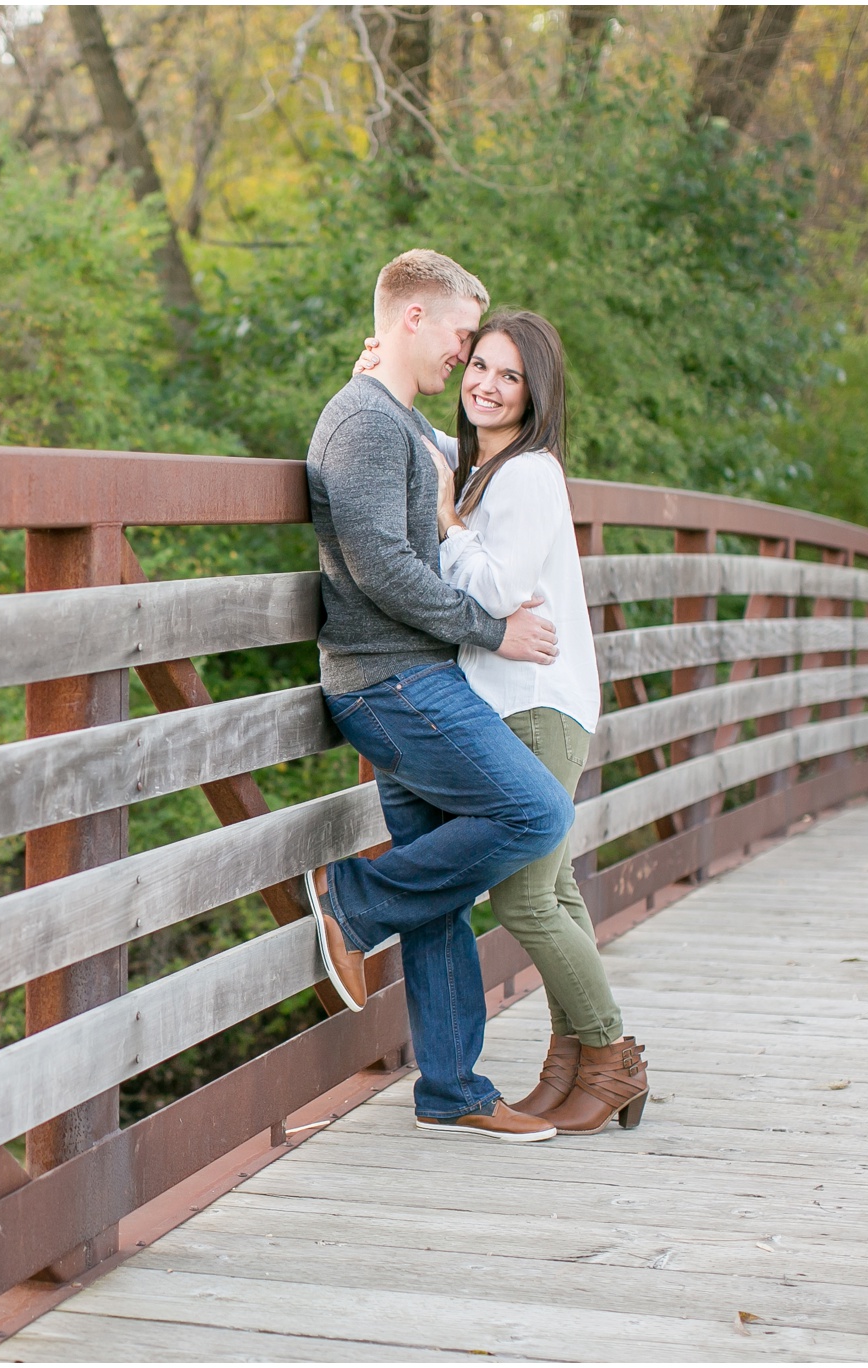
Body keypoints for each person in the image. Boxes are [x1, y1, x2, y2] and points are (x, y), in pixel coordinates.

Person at [298, 249, 574, 1144]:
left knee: (445, 890)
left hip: (411, 677)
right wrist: (491, 630)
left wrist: (377, 372)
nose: (466, 358)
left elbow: (438, 486)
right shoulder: (368, 427)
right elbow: (380, 565)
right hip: (392, 680)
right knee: (535, 813)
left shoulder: (390, 419)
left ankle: (450, 1091)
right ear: (413, 319)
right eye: (463, 337)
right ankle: (352, 902)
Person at [354, 309, 649, 1134]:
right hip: (522, 703)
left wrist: (448, 524)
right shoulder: (479, 463)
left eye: (508, 375)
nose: (484, 383)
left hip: (536, 705)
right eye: (478, 364)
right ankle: (572, 1060)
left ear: (535, 393)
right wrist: (375, 374)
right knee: (550, 889)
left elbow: (494, 590)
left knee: (523, 899)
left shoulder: (524, 476)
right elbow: (404, 440)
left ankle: (611, 1054)